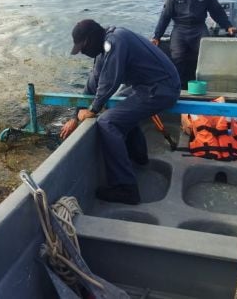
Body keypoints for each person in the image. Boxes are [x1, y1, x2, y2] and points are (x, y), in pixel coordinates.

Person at [59, 19, 180, 205]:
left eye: (83, 48)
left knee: (107, 122)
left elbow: (109, 82)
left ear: (91, 39)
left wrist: (93, 110)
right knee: (118, 111)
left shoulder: (115, 42)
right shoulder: (102, 50)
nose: (83, 52)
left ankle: (126, 188)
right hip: (146, 87)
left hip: (163, 87)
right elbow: (92, 85)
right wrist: (75, 116)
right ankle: (139, 157)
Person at [152, 0, 237, 88]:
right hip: (180, 29)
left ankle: (202, 84)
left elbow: (217, 12)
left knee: (205, 56)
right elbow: (165, 17)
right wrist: (157, 36)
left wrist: (228, 27)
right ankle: (179, 87)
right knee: (177, 56)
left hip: (198, 28)